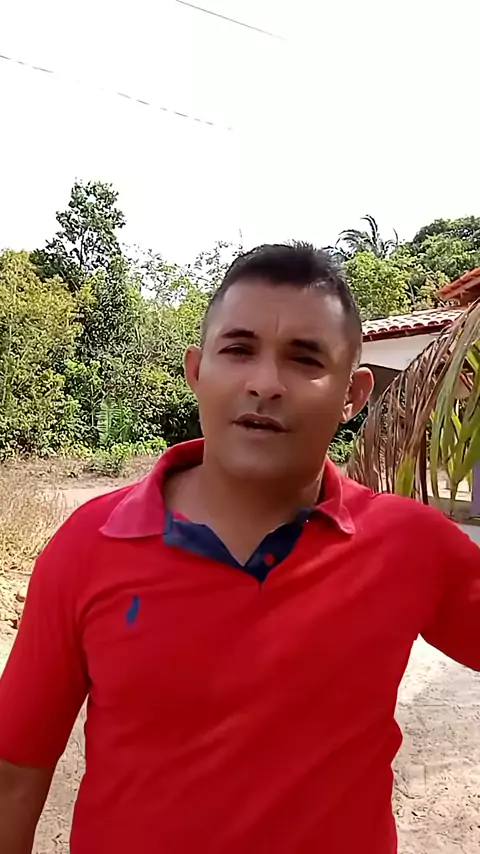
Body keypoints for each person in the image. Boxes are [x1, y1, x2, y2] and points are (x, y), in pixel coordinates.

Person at [0, 242, 478, 854]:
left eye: (305, 358)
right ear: (197, 371)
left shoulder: (408, 545)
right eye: (239, 350)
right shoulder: (90, 543)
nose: (265, 384)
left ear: (353, 394)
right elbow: (15, 771)